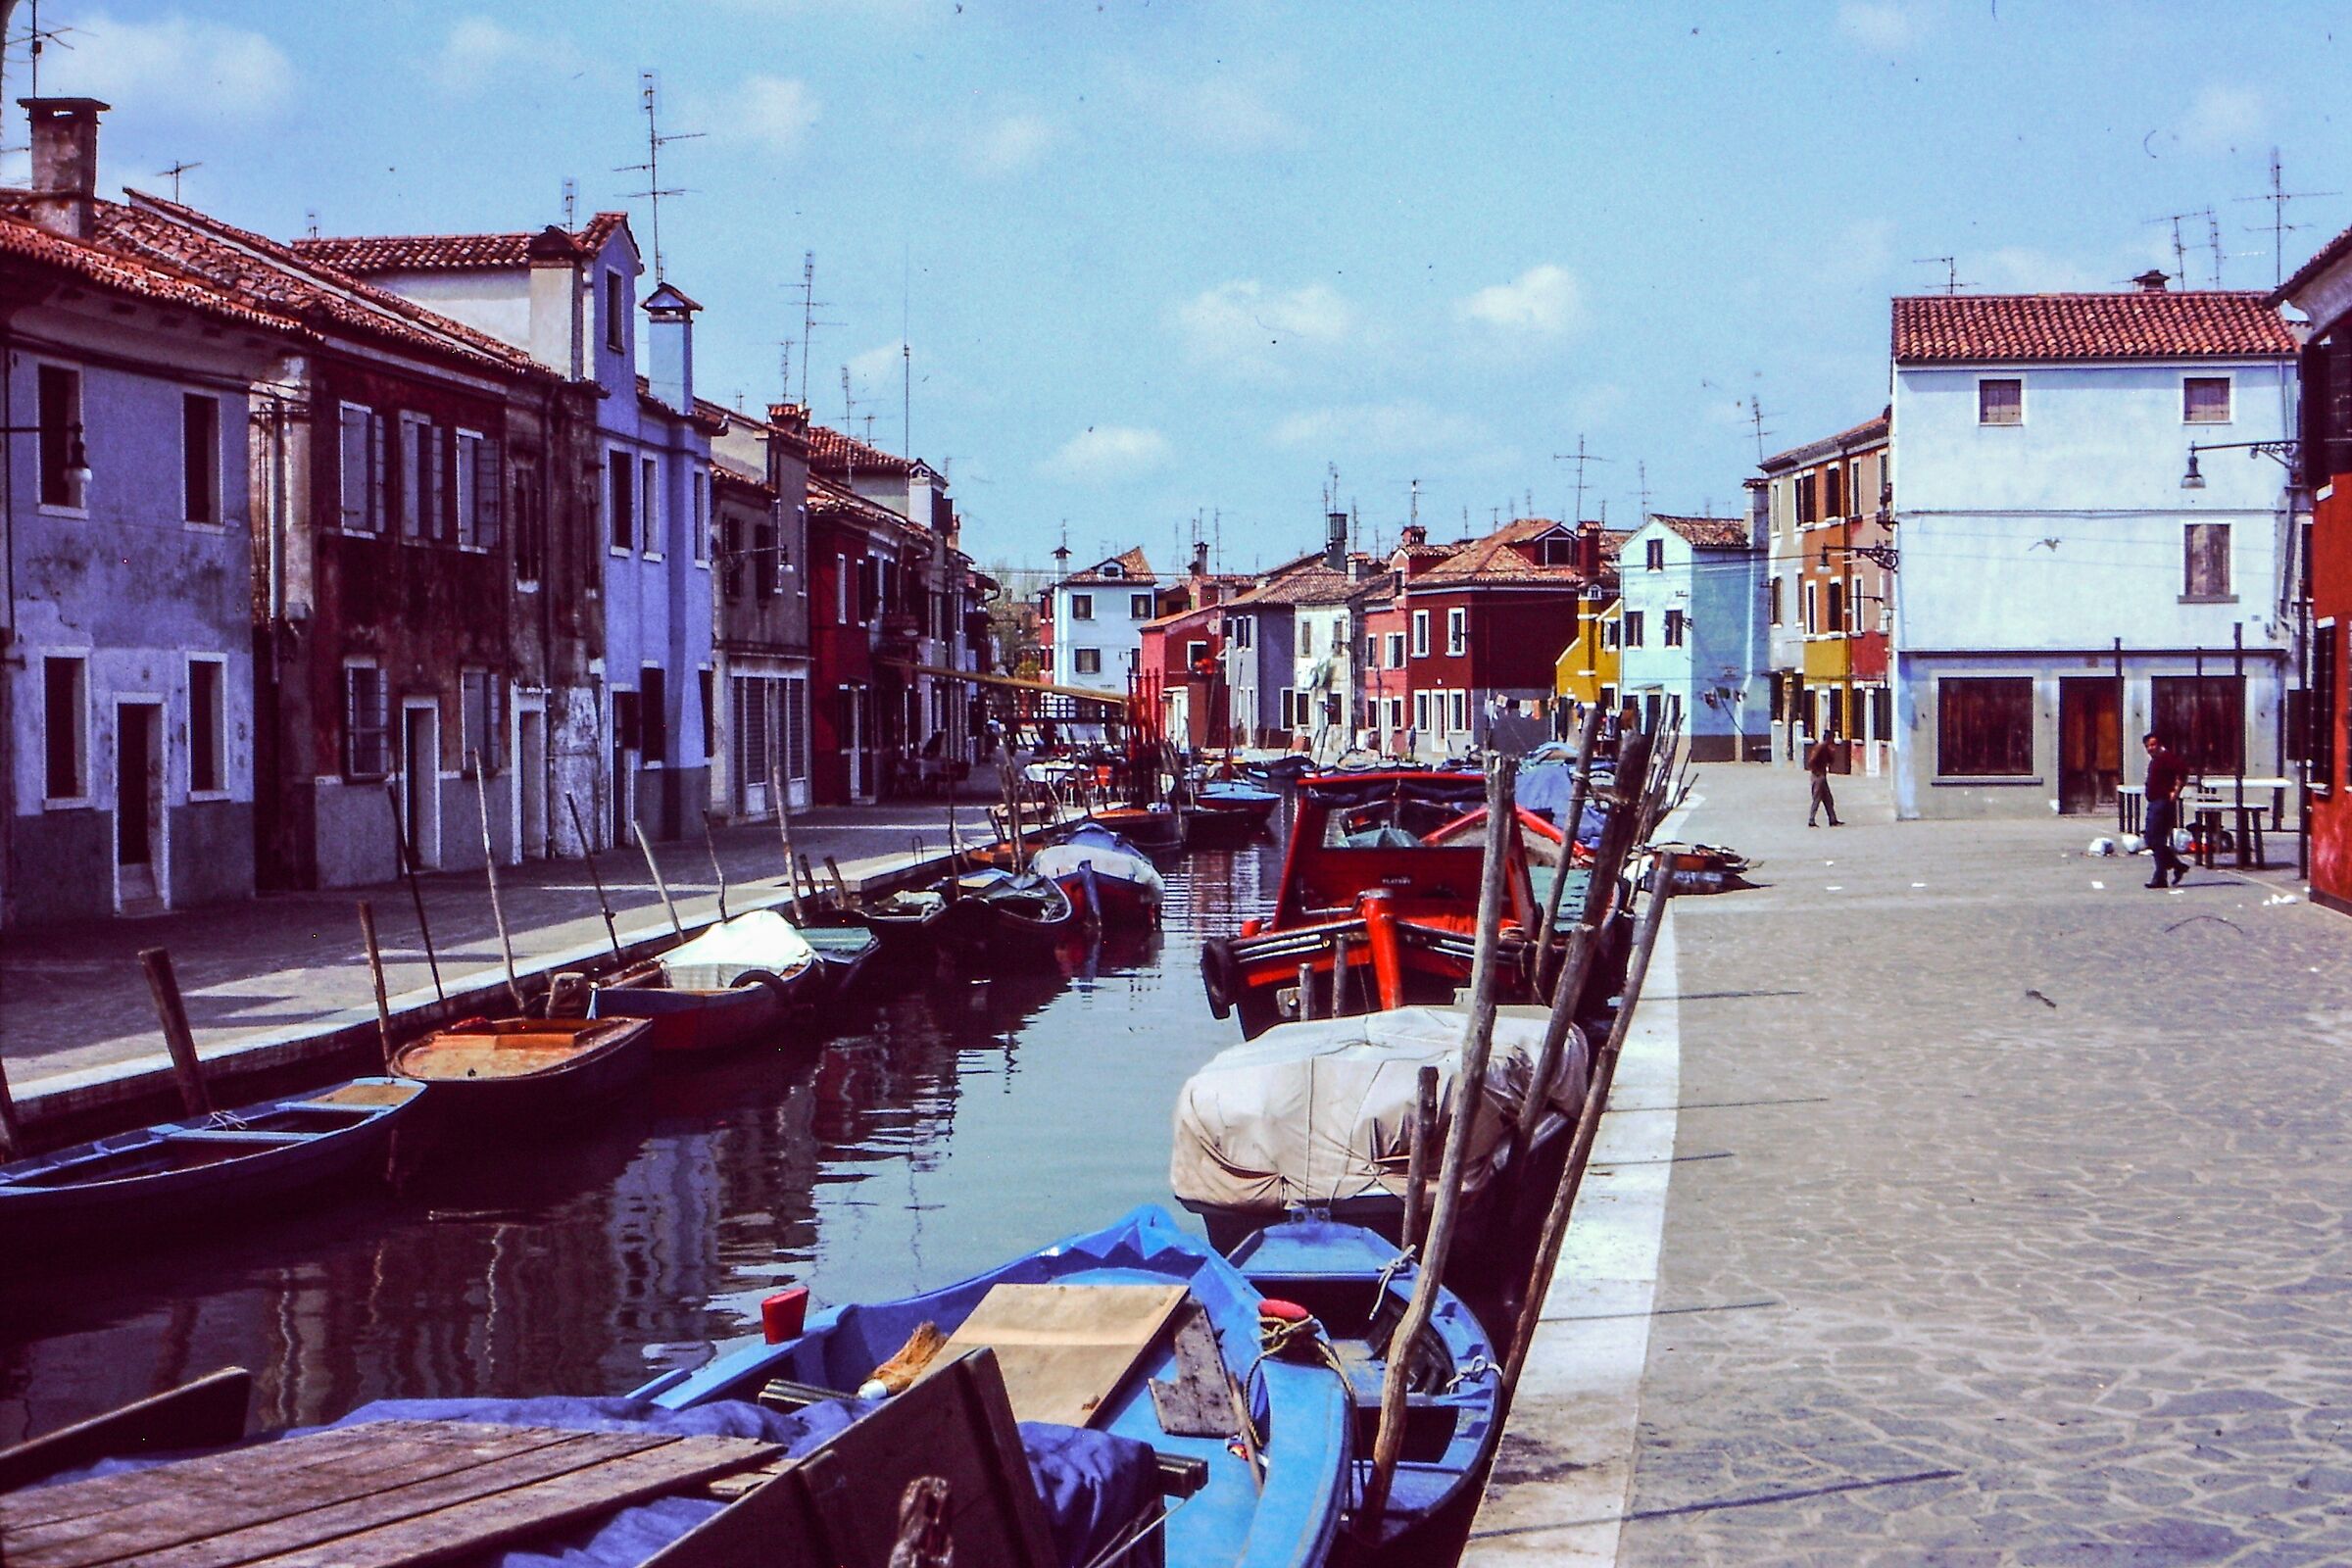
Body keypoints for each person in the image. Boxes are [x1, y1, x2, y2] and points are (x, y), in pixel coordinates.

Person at [2141, 732, 2191, 889]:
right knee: (2152, 839)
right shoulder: (2155, 761)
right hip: (2154, 802)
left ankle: (2162, 875)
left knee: (2155, 839)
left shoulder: (2167, 758)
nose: (2150, 748)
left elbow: (2183, 772)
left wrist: (2175, 792)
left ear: (2160, 744)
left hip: (2162, 804)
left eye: (2153, 744)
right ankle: (2175, 867)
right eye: (2148, 746)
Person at [1805, 733, 1843, 826]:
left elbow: (1830, 762)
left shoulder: (1827, 748)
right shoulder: (1820, 747)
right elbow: (1811, 761)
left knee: (1828, 799)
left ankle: (1832, 819)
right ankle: (1811, 820)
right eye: (1832, 738)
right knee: (1817, 799)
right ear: (1829, 738)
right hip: (1818, 776)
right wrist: (1816, 772)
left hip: (1822, 776)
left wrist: (1832, 752)